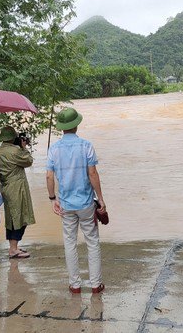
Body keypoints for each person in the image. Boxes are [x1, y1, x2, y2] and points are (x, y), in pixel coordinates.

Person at [46, 107, 107, 294]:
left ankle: (75, 285)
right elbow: (93, 174)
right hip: (87, 203)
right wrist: (101, 199)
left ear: (61, 127)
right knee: (92, 242)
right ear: (76, 125)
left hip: (65, 204)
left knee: (70, 242)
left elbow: (49, 176)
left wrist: (52, 199)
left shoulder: (53, 149)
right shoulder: (86, 146)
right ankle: (95, 284)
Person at [0, 126, 35, 259]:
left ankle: (13, 247)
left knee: (11, 217)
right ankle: (13, 249)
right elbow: (28, 161)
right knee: (20, 217)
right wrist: (23, 147)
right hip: (17, 187)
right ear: (14, 138)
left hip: (5, 186)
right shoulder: (15, 151)